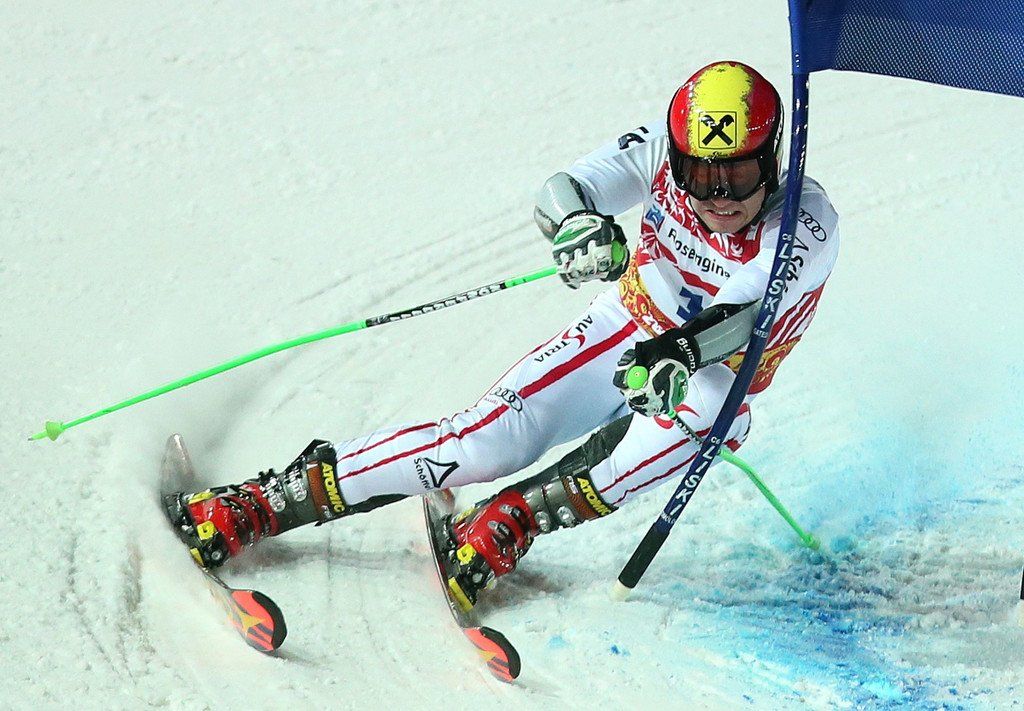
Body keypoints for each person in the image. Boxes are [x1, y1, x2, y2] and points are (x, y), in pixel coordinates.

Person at [167, 60, 840, 608]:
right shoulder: (660, 152)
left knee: (696, 421)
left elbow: (744, 315)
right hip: (629, 323)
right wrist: (577, 225)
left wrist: (682, 351)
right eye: (701, 174)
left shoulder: (806, 223)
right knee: (484, 441)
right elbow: (565, 188)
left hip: (711, 370)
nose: (720, 195)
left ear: (772, 157)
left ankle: (515, 517)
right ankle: (268, 501)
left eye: (738, 173)